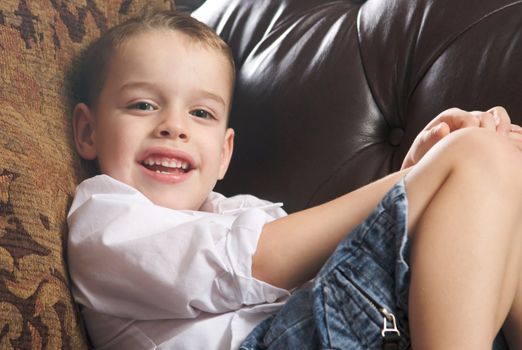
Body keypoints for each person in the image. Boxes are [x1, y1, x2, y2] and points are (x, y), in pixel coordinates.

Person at [67, 9, 522, 350]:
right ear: (87, 132)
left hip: (358, 328)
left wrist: (421, 178)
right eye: (143, 105)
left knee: (500, 171)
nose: (174, 126)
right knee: (477, 156)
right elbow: (257, 263)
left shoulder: (237, 209)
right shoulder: (102, 218)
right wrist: (427, 177)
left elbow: (338, 262)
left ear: (225, 153)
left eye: (200, 112)